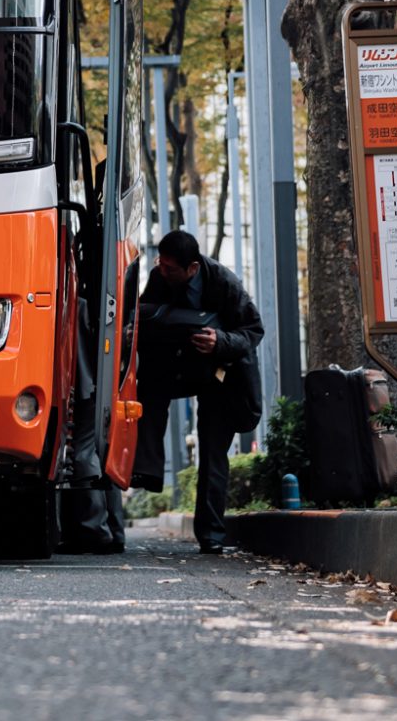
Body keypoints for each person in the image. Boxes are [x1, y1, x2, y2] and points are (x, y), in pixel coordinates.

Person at [131, 229, 263, 553]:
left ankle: (212, 536)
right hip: (175, 366)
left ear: (192, 268)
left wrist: (220, 342)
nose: (162, 271)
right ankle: (146, 472)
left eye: (170, 268)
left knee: (213, 454)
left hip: (220, 375)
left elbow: (253, 330)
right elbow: (146, 317)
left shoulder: (224, 283)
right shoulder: (159, 276)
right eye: (160, 265)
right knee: (147, 392)